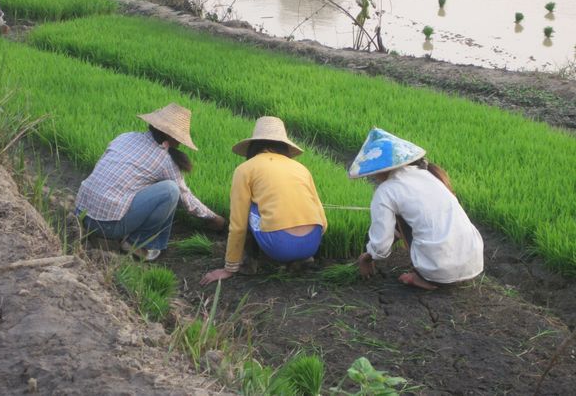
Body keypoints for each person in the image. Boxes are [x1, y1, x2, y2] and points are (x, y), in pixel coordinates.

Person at [75, 103, 225, 261]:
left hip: (81, 212)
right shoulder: (164, 159)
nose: (180, 143)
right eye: (179, 138)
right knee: (170, 191)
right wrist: (215, 219)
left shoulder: (125, 136)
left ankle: (138, 236)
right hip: (107, 226)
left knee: (149, 184)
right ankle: (137, 244)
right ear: (172, 137)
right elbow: (186, 198)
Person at [349, 128, 483, 290]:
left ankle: (425, 279)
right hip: (474, 260)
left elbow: (381, 244)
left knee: (401, 219)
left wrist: (368, 257)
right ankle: (440, 273)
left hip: (439, 269)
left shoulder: (386, 191)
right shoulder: (430, 175)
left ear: (381, 170)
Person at [200, 116, 327, 285]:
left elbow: (238, 225)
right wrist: (304, 244)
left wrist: (229, 267)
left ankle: (248, 263)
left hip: (280, 246)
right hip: (312, 243)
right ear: (284, 146)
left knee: (249, 206)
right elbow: (322, 219)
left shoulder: (245, 169)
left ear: (254, 145)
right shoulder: (301, 168)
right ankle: (301, 260)